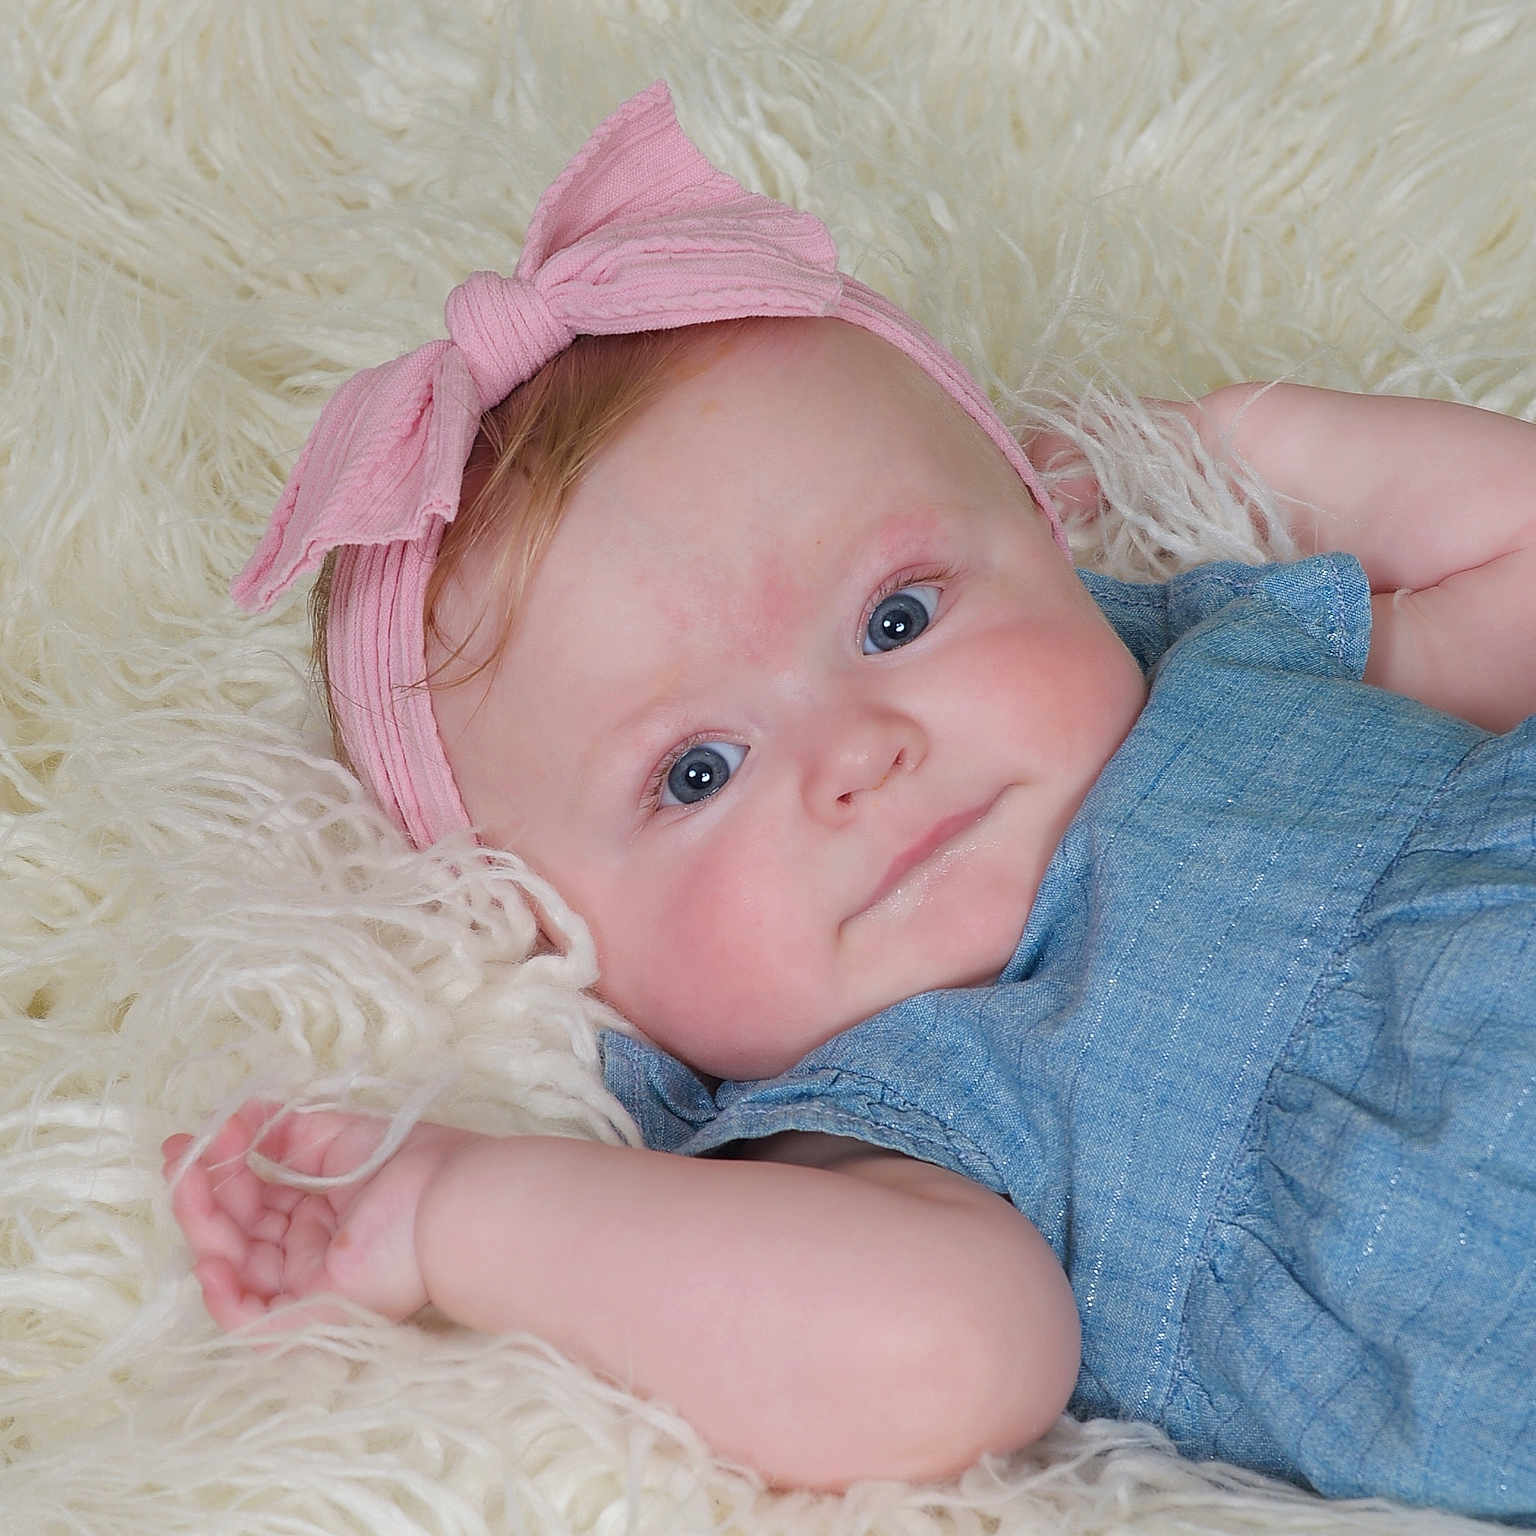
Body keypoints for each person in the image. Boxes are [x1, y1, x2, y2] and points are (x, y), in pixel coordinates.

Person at [162, 83, 1536, 1517]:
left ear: (1043, 542)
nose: (858, 751)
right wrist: (449, 1215)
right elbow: (944, 1350)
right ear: (553, 931)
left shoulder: (1217, 667)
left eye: (896, 618)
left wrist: (1241, 446)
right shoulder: (891, 1109)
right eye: (696, 772)